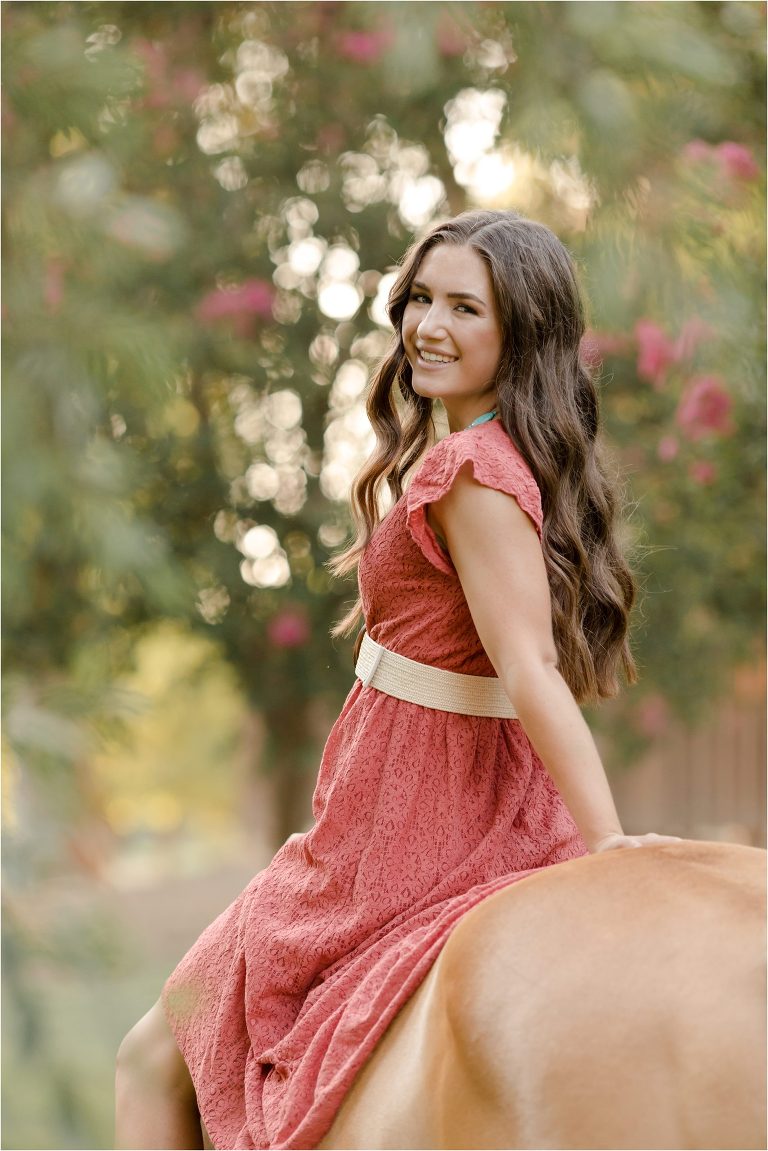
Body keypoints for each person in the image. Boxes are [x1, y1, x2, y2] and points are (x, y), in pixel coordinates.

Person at [115, 209, 679, 1151]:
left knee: (148, 1053)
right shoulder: (495, 457)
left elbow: (531, 667)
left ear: (520, 334)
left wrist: (609, 839)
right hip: (425, 800)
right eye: (422, 297)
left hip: (401, 827)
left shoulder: (467, 471)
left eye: (467, 307)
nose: (429, 325)